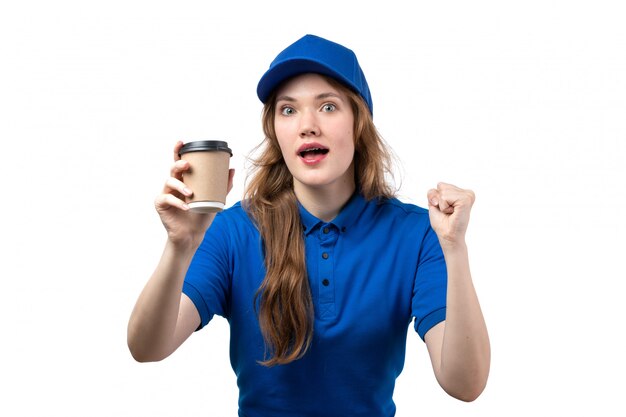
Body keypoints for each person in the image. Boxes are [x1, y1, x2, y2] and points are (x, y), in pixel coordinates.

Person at [127, 34, 490, 416]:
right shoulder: (232, 231)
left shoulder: (416, 234)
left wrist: (455, 249)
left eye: (328, 107)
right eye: (288, 110)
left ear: (359, 124)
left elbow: (464, 385)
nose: (307, 126)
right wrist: (179, 245)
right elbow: (148, 348)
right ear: (276, 132)